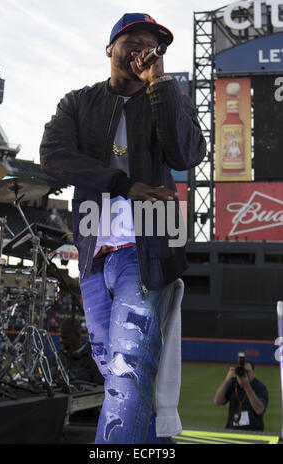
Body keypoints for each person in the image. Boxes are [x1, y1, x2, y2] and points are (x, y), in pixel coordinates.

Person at [40, 12, 206, 444]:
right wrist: (124, 185)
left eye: (153, 43)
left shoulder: (168, 95)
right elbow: (54, 155)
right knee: (112, 365)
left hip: (149, 249)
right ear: (110, 47)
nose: (143, 48)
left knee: (127, 367)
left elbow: (186, 154)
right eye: (134, 39)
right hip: (95, 253)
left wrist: (161, 87)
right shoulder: (78, 103)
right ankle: (154, 445)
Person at [213, 358, 268, 431]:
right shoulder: (233, 384)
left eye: (247, 371)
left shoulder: (260, 387)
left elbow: (259, 410)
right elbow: (217, 401)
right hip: (232, 431)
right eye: (243, 372)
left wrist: (247, 387)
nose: (245, 374)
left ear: (254, 373)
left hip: (253, 432)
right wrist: (227, 379)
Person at [51, 317, 104, 385]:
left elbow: (101, 388)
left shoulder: (95, 359)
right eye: (60, 337)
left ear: (78, 335)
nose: (61, 341)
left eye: (65, 337)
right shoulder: (56, 359)